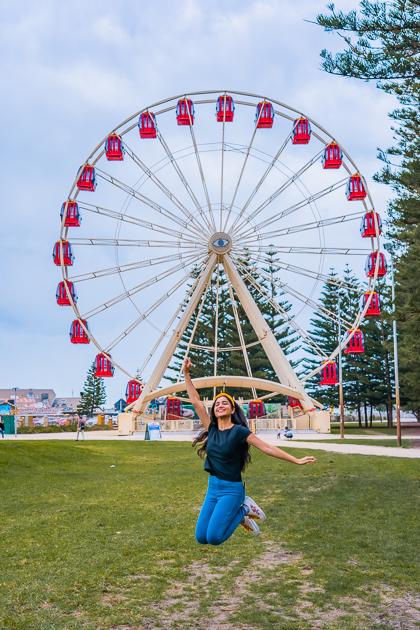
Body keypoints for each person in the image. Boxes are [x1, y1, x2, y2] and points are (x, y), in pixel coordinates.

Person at [183, 358, 316, 546]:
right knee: (201, 537)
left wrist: (296, 460)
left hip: (231, 490)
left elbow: (267, 447)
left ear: (231, 409)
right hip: (213, 488)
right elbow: (195, 400)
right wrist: (186, 374)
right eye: (217, 404)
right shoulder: (211, 428)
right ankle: (243, 515)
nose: (220, 405)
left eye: (225, 403)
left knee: (214, 538)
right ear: (214, 410)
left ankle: (245, 509)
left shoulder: (239, 431)